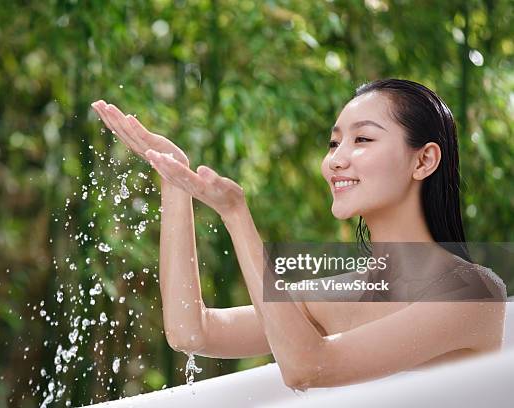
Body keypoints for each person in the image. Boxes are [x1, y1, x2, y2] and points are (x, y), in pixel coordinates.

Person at [90, 78, 506, 390]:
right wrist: (175, 181)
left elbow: (307, 367)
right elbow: (191, 332)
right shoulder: (340, 294)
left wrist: (237, 215)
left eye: (362, 139)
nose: (336, 161)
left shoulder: (471, 291)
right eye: (333, 143)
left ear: (424, 160)